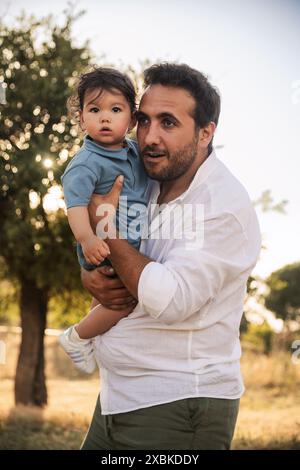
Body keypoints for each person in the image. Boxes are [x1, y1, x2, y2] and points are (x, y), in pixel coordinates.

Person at [80, 63, 262, 450]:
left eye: (168, 123)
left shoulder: (222, 205)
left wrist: (106, 230)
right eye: (143, 121)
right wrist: (90, 274)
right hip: (117, 398)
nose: (149, 137)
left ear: (205, 133)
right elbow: (109, 251)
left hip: (179, 406)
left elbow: (171, 298)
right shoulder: (144, 178)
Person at [59, 67, 148, 373]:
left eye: (115, 109)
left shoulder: (135, 152)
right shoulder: (86, 163)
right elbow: (76, 208)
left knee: (108, 300)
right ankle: (76, 337)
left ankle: (89, 336)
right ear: (82, 118)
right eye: (94, 110)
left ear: (132, 120)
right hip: (102, 247)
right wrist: (87, 239)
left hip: (124, 242)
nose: (105, 118)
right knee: (123, 302)